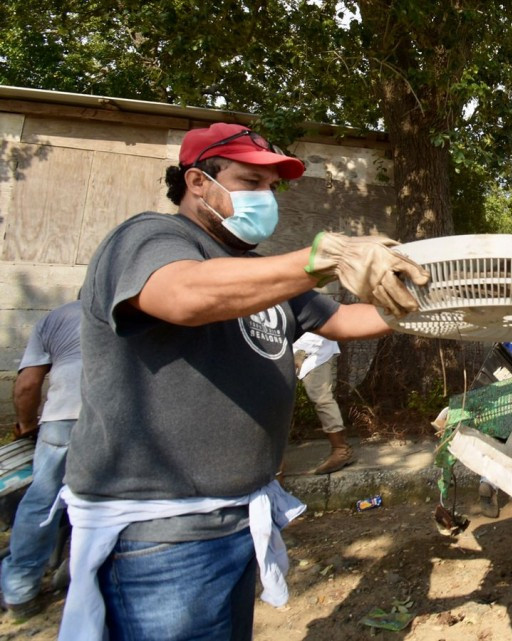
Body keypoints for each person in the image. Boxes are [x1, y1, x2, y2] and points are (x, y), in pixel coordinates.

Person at [58, 122, 430, 639]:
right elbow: (184, 295)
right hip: (162, 529)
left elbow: (344, 322)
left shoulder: (257, 269)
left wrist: (440, 305)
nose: (266, 198)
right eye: (250, 183)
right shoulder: (147, 238)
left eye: (271, 188)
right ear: (197, 182)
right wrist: (319, 260)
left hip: (237, 515)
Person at [0, 301, 81, 621]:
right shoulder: (138, 311)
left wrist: (26, 424)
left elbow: (27, 385)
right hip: (120, 422)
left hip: (62, 419)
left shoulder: (55, 318)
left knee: (41, 502)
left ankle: (21, 591)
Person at [292, 332, 356, 474]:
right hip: (287, 347)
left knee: (321, 398)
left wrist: (302, 351)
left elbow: (318, 317)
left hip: (314, 348)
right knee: (276, 399)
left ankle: (341, 450)